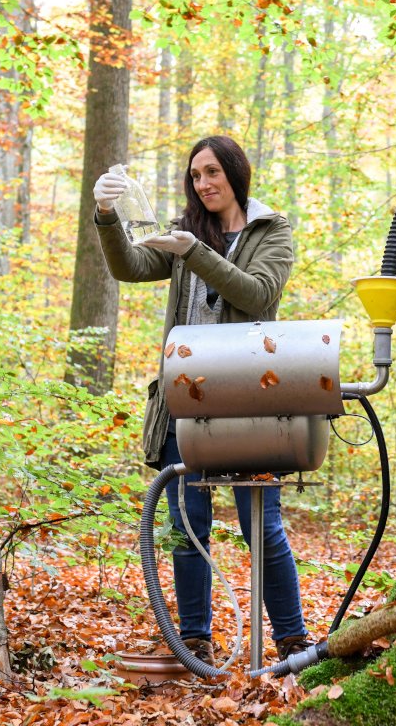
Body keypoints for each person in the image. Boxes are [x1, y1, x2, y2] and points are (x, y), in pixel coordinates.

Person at [93, 136, 310, 668]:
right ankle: (194, 641)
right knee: (187, 527)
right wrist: (105, 214)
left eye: (212, 172)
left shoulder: (270, 230)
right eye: (195, 176)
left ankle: (292, 641)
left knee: (262, 526)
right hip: (182, 400)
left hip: (250, 403)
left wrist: (193, 250)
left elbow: (257, 293)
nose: (203, 183)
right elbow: (129, 267)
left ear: (236, 172)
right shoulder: (187, 230)